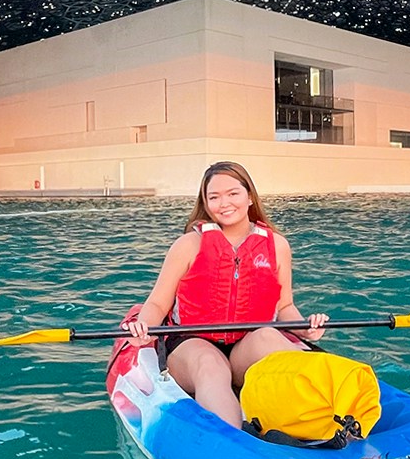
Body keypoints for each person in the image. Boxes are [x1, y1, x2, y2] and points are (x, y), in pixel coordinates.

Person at [124, 161, 327, 427]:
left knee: (268, 336)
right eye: (214, 197)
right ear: (206, 203)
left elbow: (285, 306)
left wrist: (305, 329)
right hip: (192, 344)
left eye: (233, 193)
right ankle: (233, 440)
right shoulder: (188, 245)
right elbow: (158, 304)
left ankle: (327, 411)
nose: (224, 203)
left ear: (249, 197)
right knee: (210, 365)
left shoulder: (277, 246)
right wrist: (144, 328)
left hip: (246, 346)